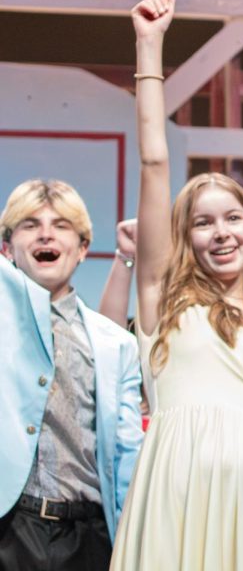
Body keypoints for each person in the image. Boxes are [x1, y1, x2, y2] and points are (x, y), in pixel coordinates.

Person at [109, 0, 243, 570]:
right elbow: (155, 164)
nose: (220, 233)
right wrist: (149, 48)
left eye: (232, 219)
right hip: (175, 492)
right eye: (203, 223)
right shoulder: (164, 306)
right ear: (186, 238)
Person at [0, 180, 143, 569]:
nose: (46, 232)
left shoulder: (115, 344)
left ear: (82, 249)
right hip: (10, 527)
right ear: (7, 247)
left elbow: (128, 451)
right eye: (29, 225)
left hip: (89, 536)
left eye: (61, 225)